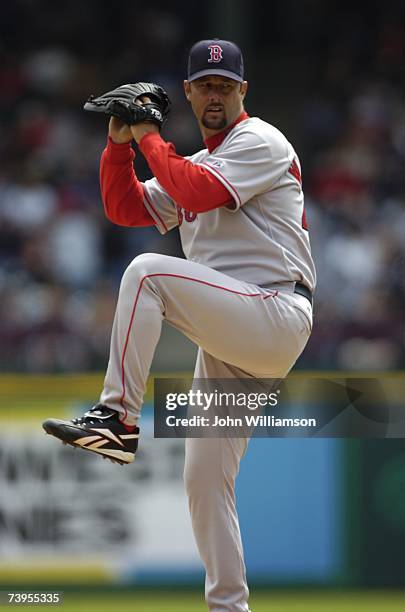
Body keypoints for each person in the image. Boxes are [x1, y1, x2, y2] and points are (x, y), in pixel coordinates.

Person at [43, 38, 316, 612]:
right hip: (232, 336)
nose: (214, 94)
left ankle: (117, 417)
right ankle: (228, 606)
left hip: (274, 312)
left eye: (225, 85)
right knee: (203, 480)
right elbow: (125, 208)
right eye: (205, 85)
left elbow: (195, 191)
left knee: (146, 274)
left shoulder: (260, 140)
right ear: (189, 92)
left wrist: (148, 136)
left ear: (243, 91)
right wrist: (119, 145)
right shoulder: (190, 162)